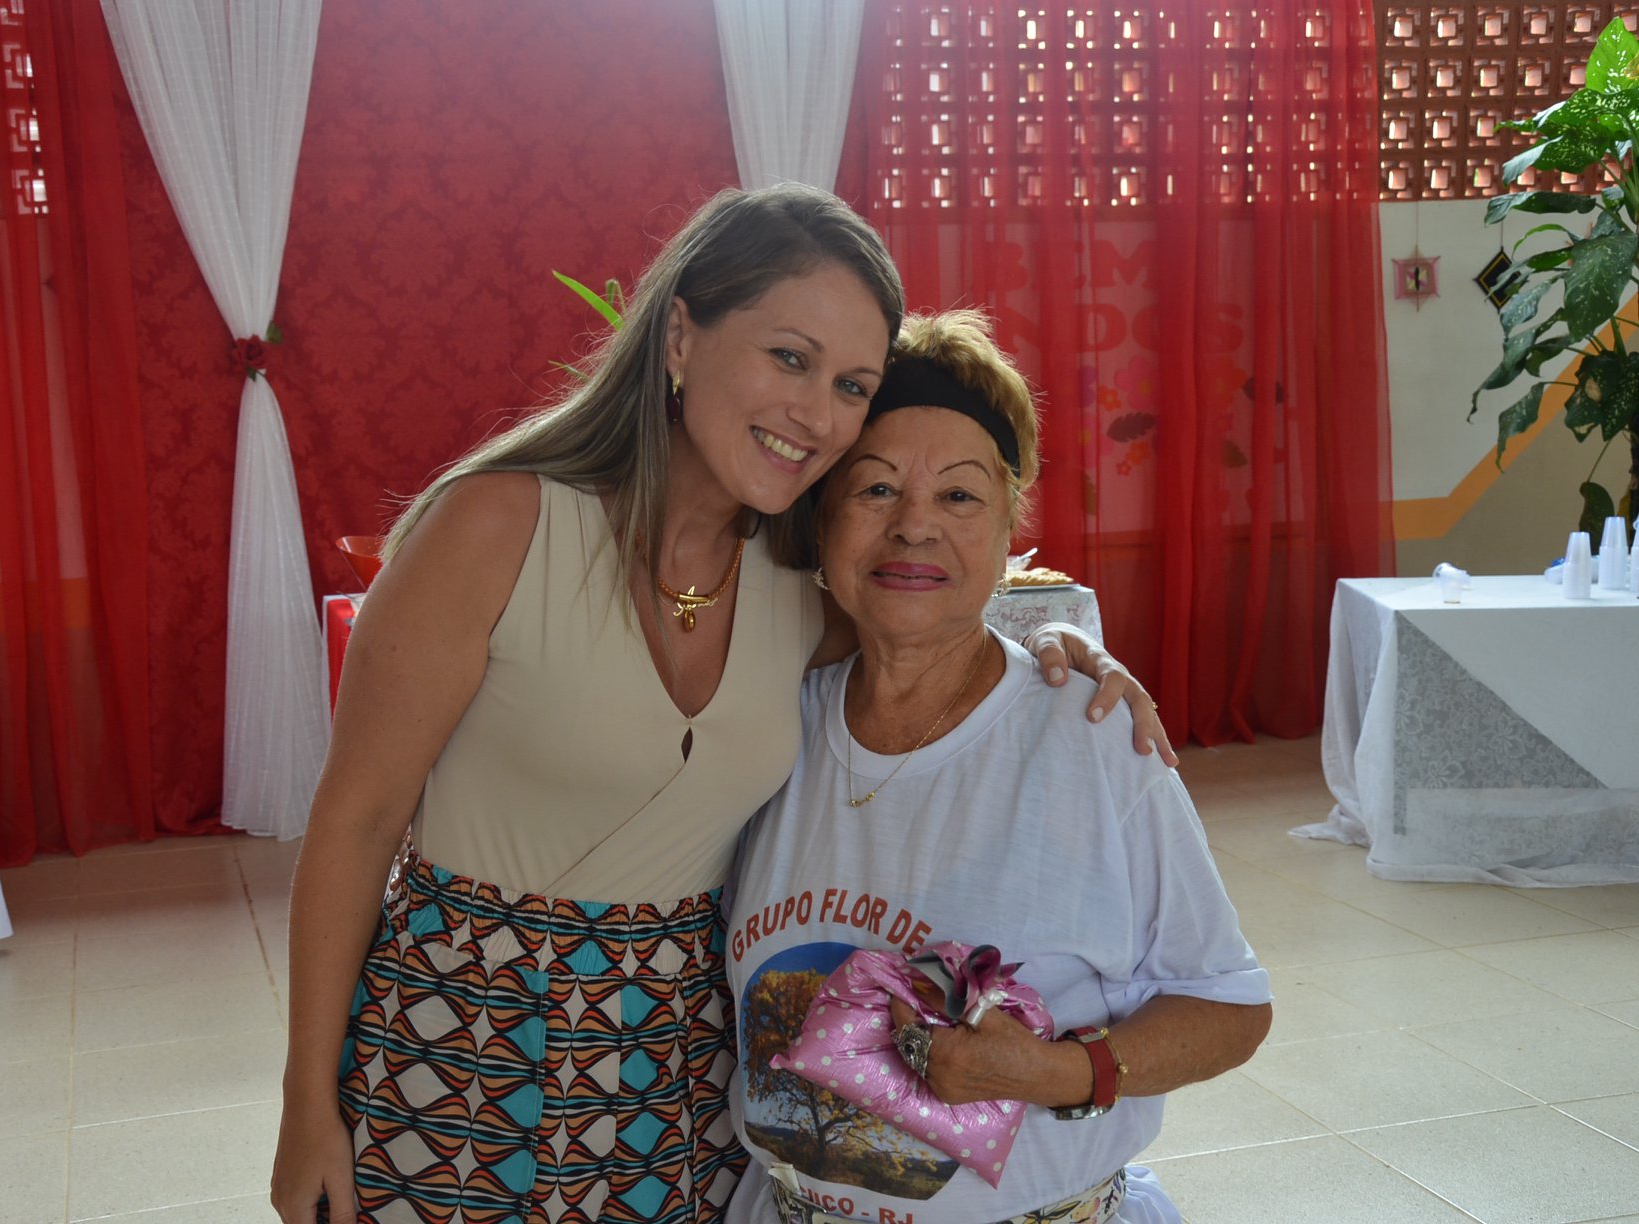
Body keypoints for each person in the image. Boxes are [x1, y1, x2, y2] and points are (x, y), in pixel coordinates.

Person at [270, 187, 1170, 1224]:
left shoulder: (797, 587)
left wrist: (1053, 641)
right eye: (789, 358)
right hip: (457, 1039)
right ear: (680, 335)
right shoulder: (495, 527)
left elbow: (935, 628)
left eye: (850, 385)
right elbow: (354, 824)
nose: (815, 414)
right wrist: (306, 1102)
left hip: (681, 1078)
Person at [724, 311, 1271, 1224]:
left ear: (1010, 527)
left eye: (960, 496)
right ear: (822, 520)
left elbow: (1230, 1006)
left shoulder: (1088, 739)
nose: (914, 526)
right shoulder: (773, 726)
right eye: (875, 489)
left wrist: (1059, 1072)